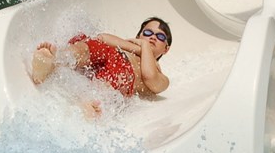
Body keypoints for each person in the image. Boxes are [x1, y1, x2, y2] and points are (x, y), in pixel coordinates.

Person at [31, 17, 172, 101]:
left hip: (122, 71)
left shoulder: (161, 75)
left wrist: (145, 46)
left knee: (110, 82)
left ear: (166, 49)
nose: (153, 37)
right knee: (87, 47)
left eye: (160, 37)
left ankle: (90, 102)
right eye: (147, 33)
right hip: (109, 54)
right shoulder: (130, 48)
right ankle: (57, 58)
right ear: (138, 37)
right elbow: (102, 38)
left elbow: (149, 77)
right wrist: (137, 48)